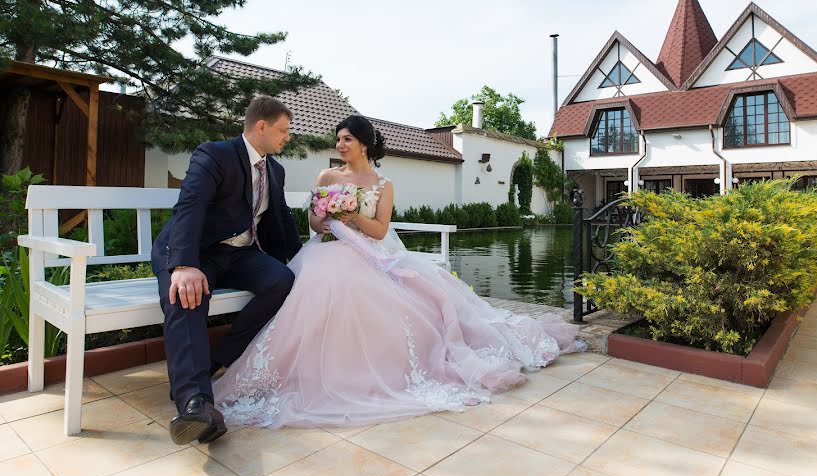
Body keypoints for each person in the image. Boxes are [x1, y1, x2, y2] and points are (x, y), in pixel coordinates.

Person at [213, 115, 583, 428]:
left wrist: (352, 215)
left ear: (364, 144)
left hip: (371, 253)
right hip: (326, 252)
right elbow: (312, 221)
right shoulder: (327, 177)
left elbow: (378, 230)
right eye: (338, 139)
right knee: (313, 285)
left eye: (347, 139)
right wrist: (325, 222)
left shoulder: (382, 186)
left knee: (388, 292)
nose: (340, 145)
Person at [151, 96, 302, 445]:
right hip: (197, 251)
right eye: (283, 130)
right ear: (260, 126)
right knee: (186, 295)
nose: (287, 138)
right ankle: (194, 403)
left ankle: (214, 361)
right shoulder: (214, 154)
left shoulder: (274, 170)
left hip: (239, 255)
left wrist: (304, 259)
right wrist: (185, 265)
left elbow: (279, 221)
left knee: (282, 281)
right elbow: (191, 205)